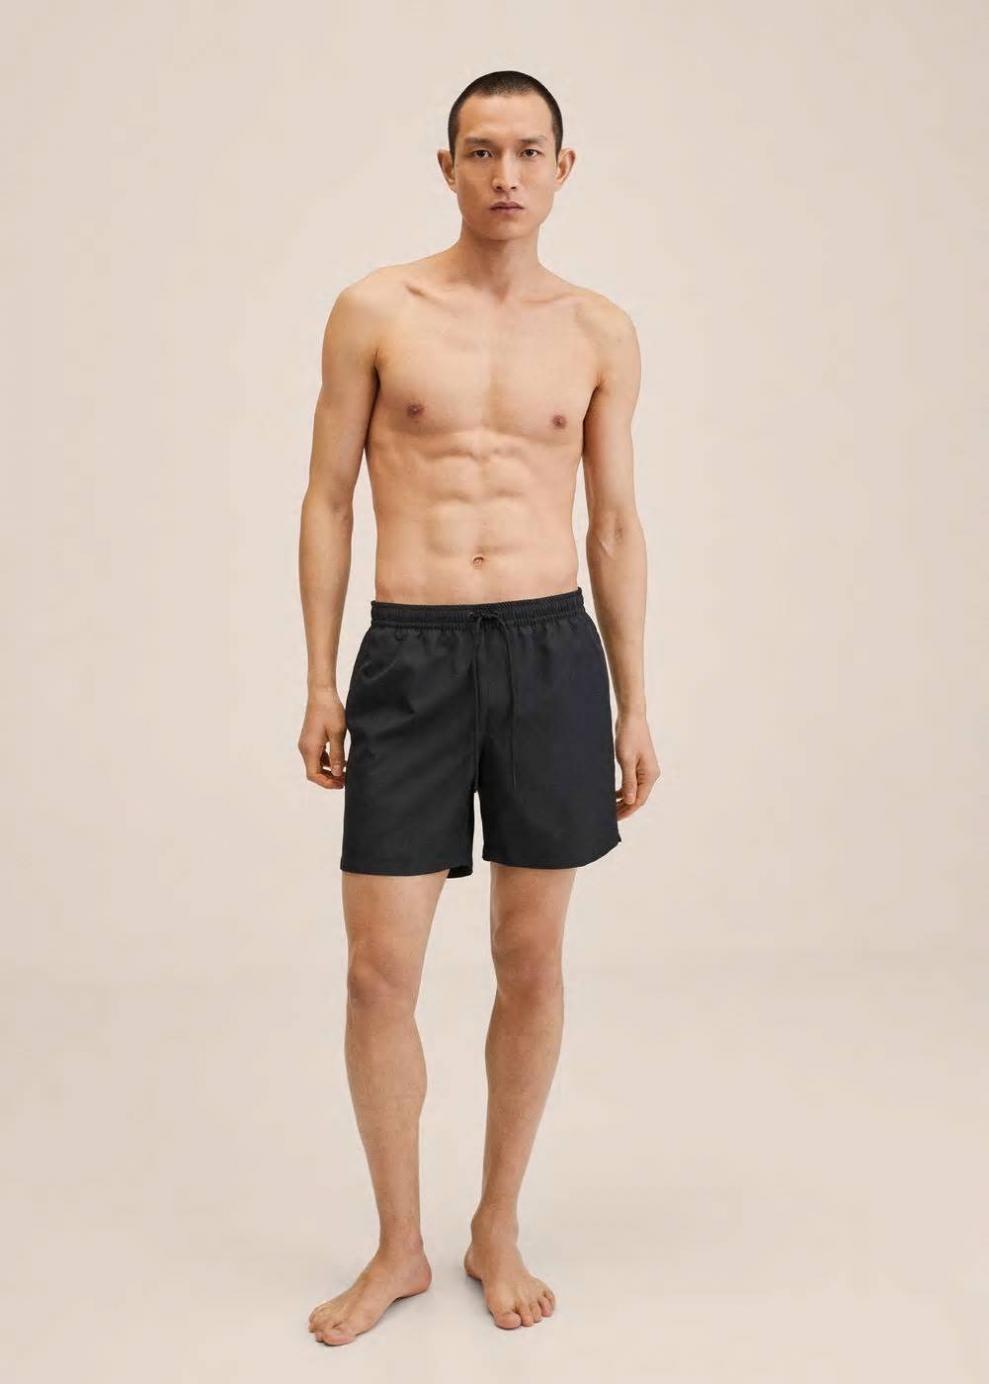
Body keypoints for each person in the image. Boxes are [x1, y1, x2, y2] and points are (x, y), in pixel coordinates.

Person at [297, 69, 659, 1346]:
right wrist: (319, 676)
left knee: (530, 958)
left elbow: (612, 524)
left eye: (527, 151)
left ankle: (493, 1225)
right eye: (481, 151)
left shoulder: (598, 330)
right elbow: (327, 498)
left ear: (565, 167)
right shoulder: (374, 310)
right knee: (375, 971)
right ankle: (397, 1244)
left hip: (550, 654)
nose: (505, 174)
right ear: (445, 166)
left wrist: (631, 700)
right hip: (412, 654)